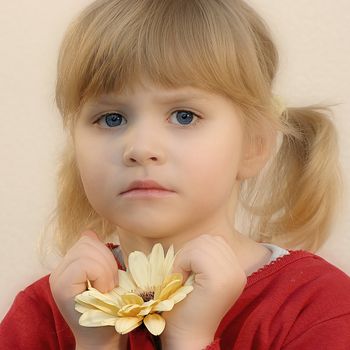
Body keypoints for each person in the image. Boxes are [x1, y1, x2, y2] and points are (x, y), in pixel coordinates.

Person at [1, 0, 350, 349]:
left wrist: (189, 341)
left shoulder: (318, 308)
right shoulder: (44, 313)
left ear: (254, 146)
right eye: (112, 118)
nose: (140, 148)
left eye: (184, 116)